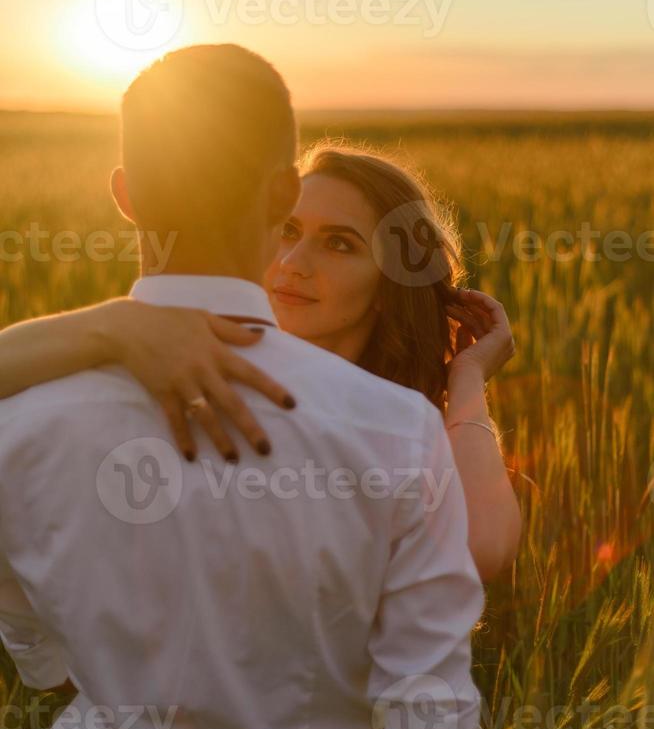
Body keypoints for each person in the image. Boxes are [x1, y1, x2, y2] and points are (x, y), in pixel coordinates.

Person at [0, 44, 486, 729]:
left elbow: (40, 660)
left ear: (126, 194)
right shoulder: (395, 428)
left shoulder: (18, 421)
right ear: (284, 194)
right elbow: (430, 714)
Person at [0, 144, 521, 585]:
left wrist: (467, 377)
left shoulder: (399, 431)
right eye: (287, 230)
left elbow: (483, 550)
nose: (293, 264)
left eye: (340, 244)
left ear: (389, 285)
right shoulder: (185, 373)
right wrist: (113, 325)